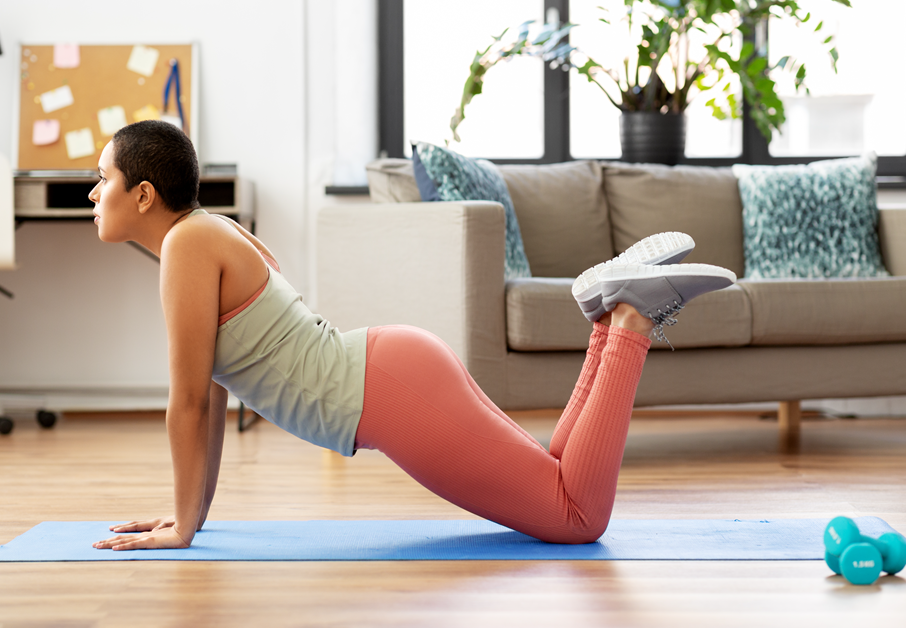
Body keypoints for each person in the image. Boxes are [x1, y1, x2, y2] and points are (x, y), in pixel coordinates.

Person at [89, 120, 735, 551]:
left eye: (103, 179)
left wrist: (180, 527)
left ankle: (628, 324)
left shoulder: (186, 247)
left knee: (577, 517)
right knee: (558, 478)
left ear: (143, 194)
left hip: (388, 392)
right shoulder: (204, 233)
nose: (93, 193)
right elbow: (212, 392)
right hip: (392, 370)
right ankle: (608, 318)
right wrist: (188, 520)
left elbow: (188, 404)